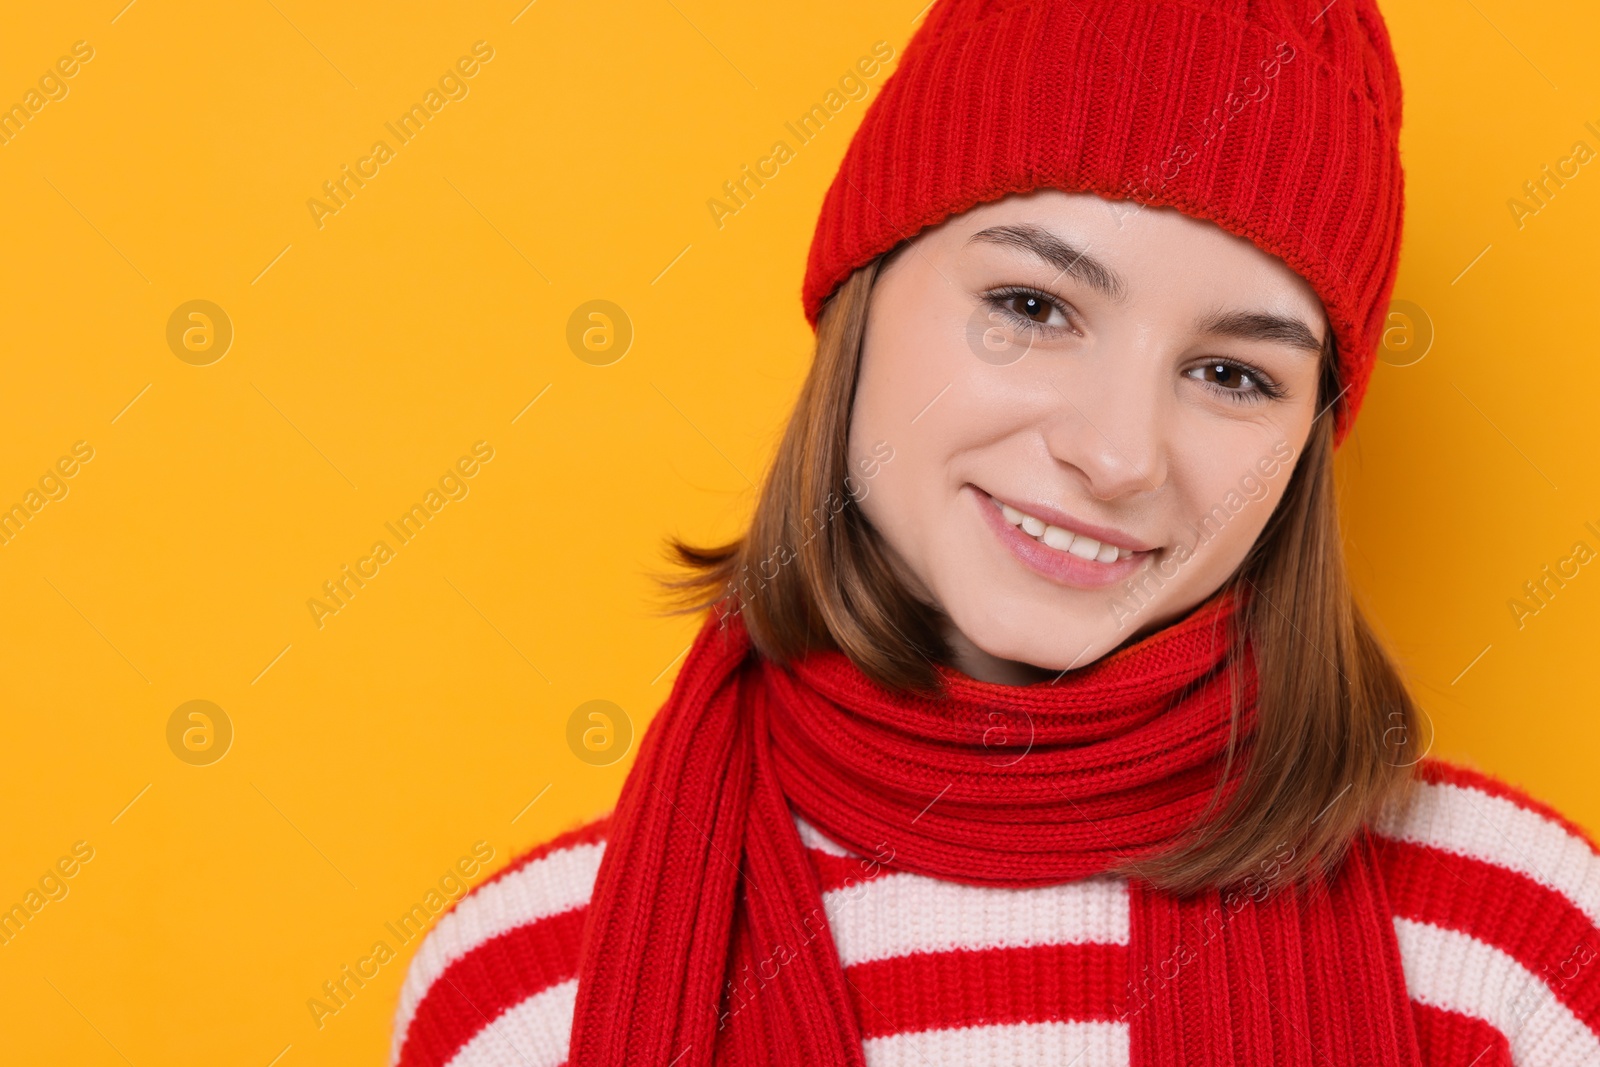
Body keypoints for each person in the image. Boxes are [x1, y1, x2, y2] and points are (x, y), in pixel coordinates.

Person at [388, 0, 1600, 1064]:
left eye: (1232, 374)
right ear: (860, 301)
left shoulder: (1513, 946)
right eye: (1032, 304)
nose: (1117, 454)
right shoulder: (528, 988)